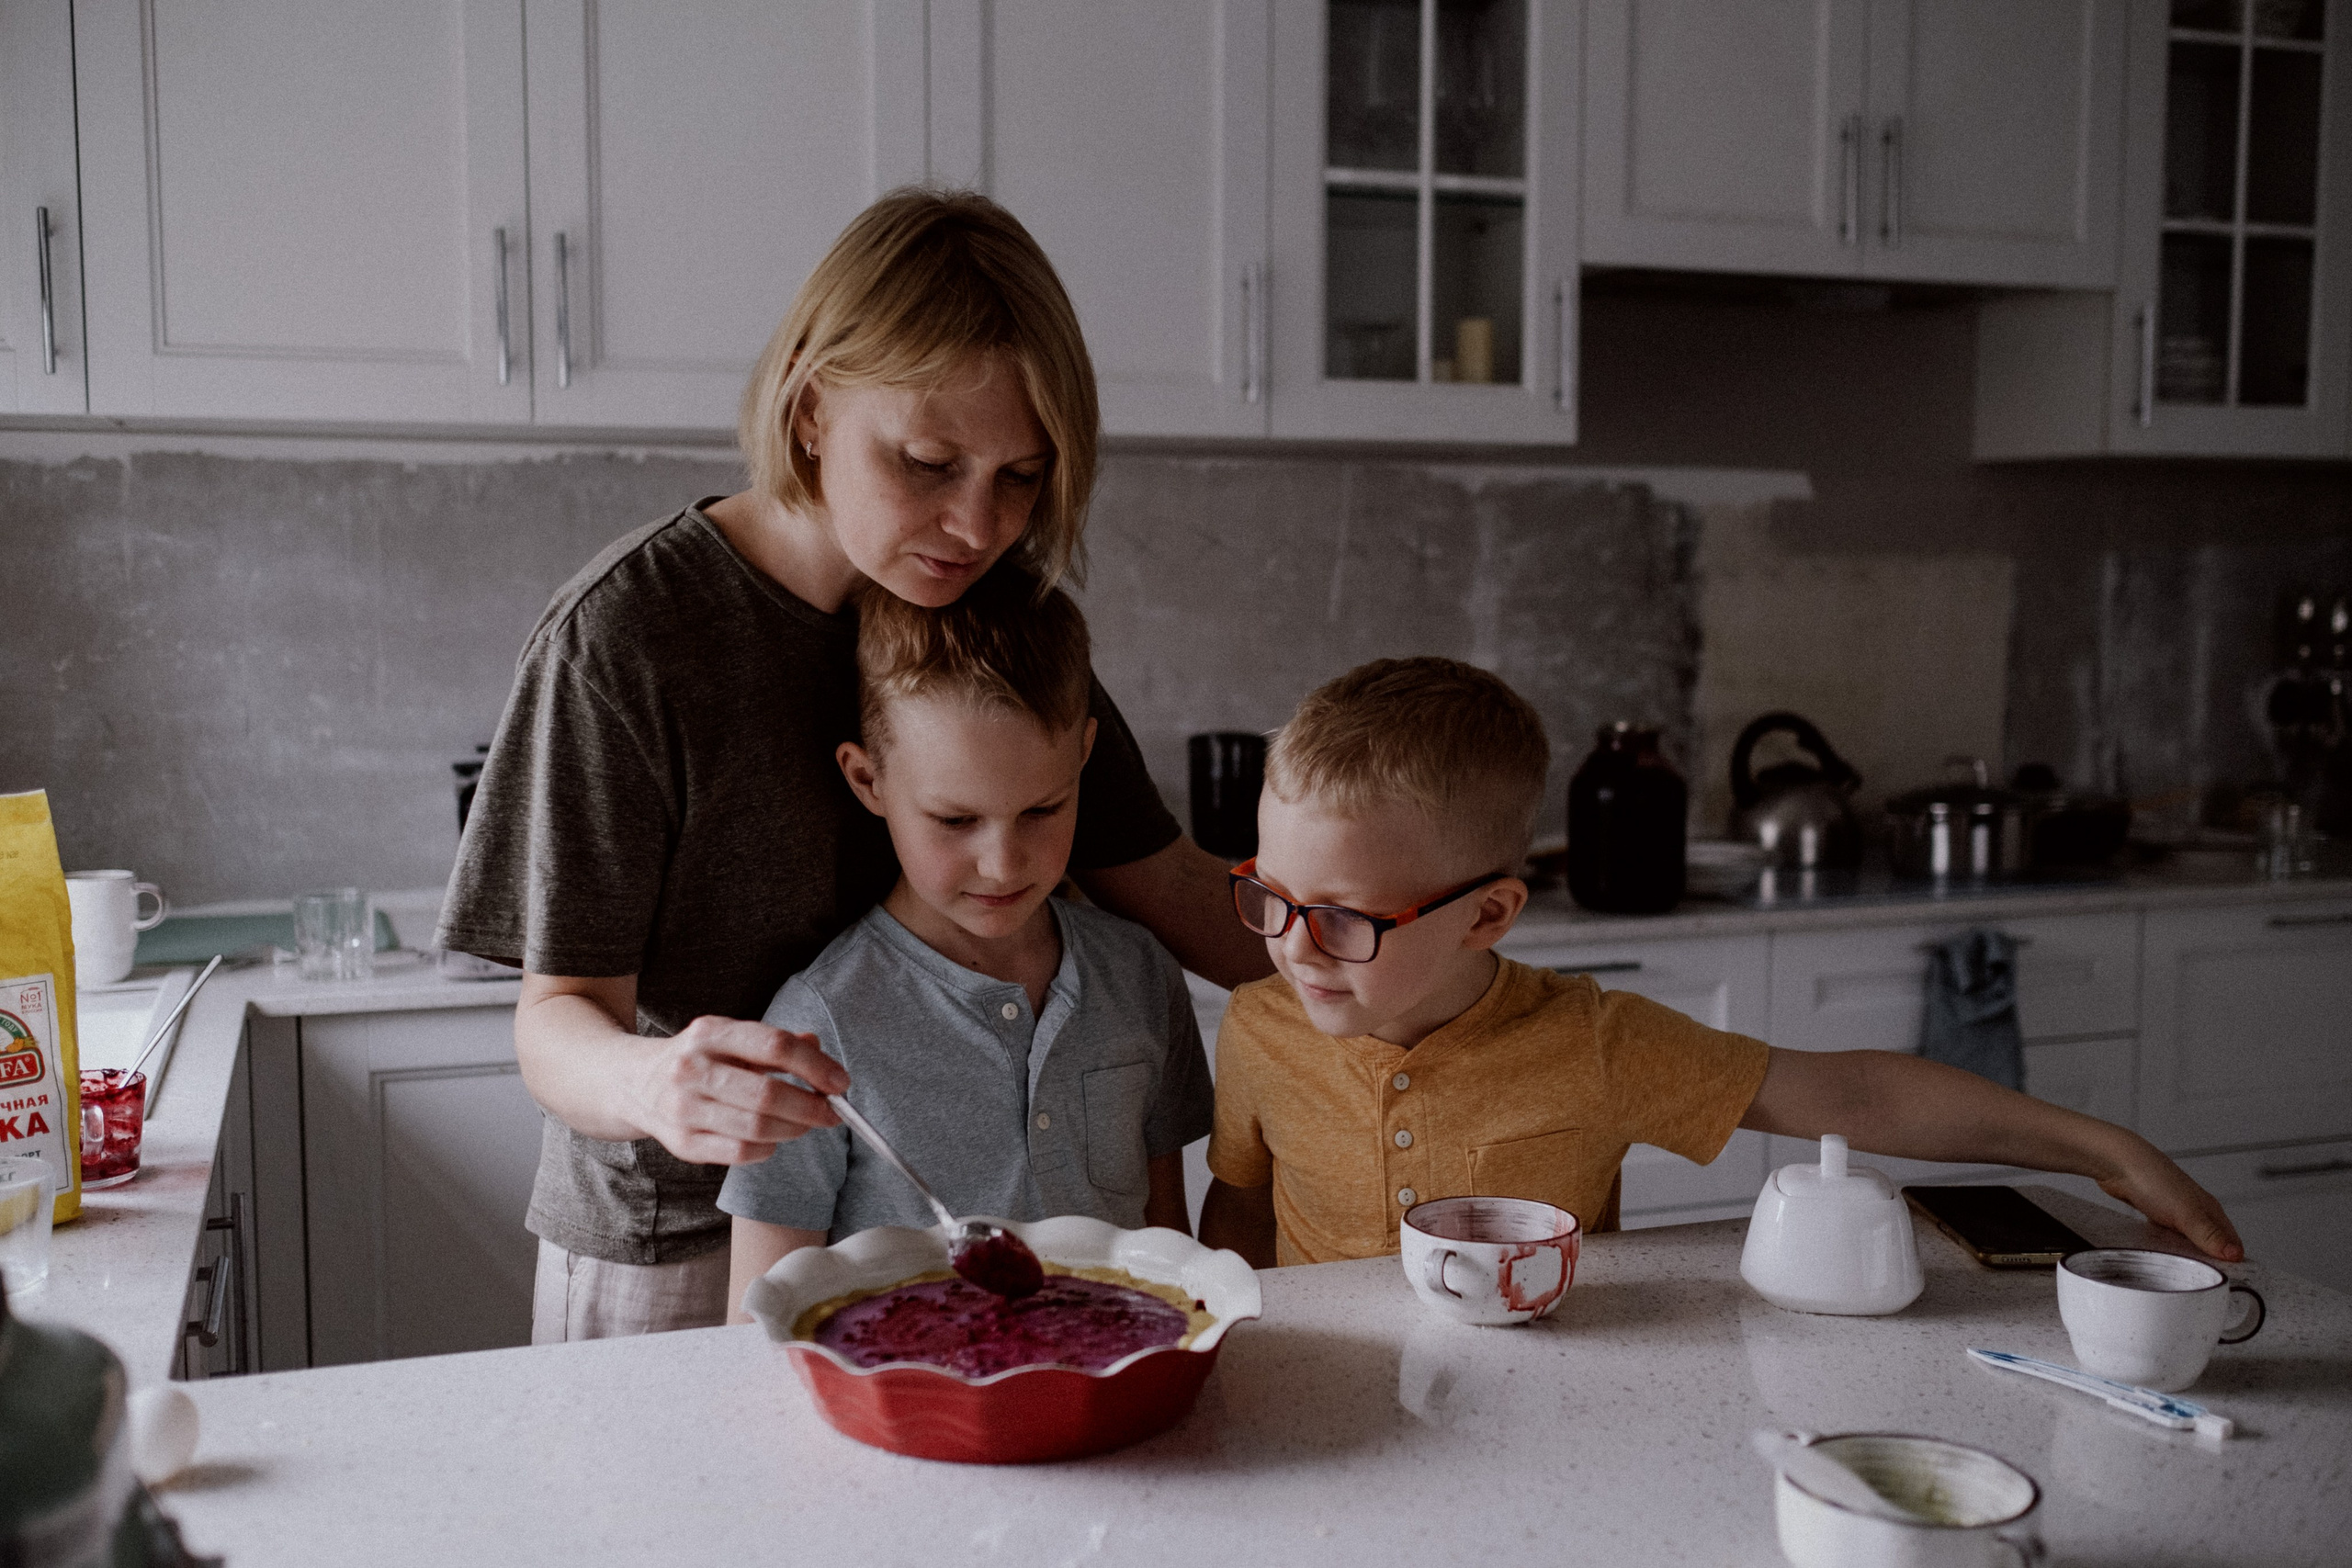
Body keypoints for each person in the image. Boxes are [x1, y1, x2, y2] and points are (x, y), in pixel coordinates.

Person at [437, 188, 1267, 1343]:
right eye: (929, 461)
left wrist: (1399, 969)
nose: (976, 527)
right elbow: (556, 1017)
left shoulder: (989, 621)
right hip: (673, 1245)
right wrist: (657, 1083)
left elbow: (1171, 888)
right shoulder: (628, 638)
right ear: (814, 407)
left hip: (917, 1240)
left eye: (1019, 477)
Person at [1198, 657, 2245, 1269]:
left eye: (1343, 918)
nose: (1292, 945)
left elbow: (1852, 1091)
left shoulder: (1593, 1044)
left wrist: (2101, 1149)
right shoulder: (1257, 1029)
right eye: (1273, 897)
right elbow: (1239, 1224)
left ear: (1488, 916)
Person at [718, 573, 1211, 1319]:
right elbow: (763, 1319)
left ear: (1084, 756)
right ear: (867, 778)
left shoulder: (1139, 974)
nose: (1005, 864)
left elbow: (1168, 1257)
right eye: (954, 820)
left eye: (1042, 809)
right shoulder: (817, 1022)